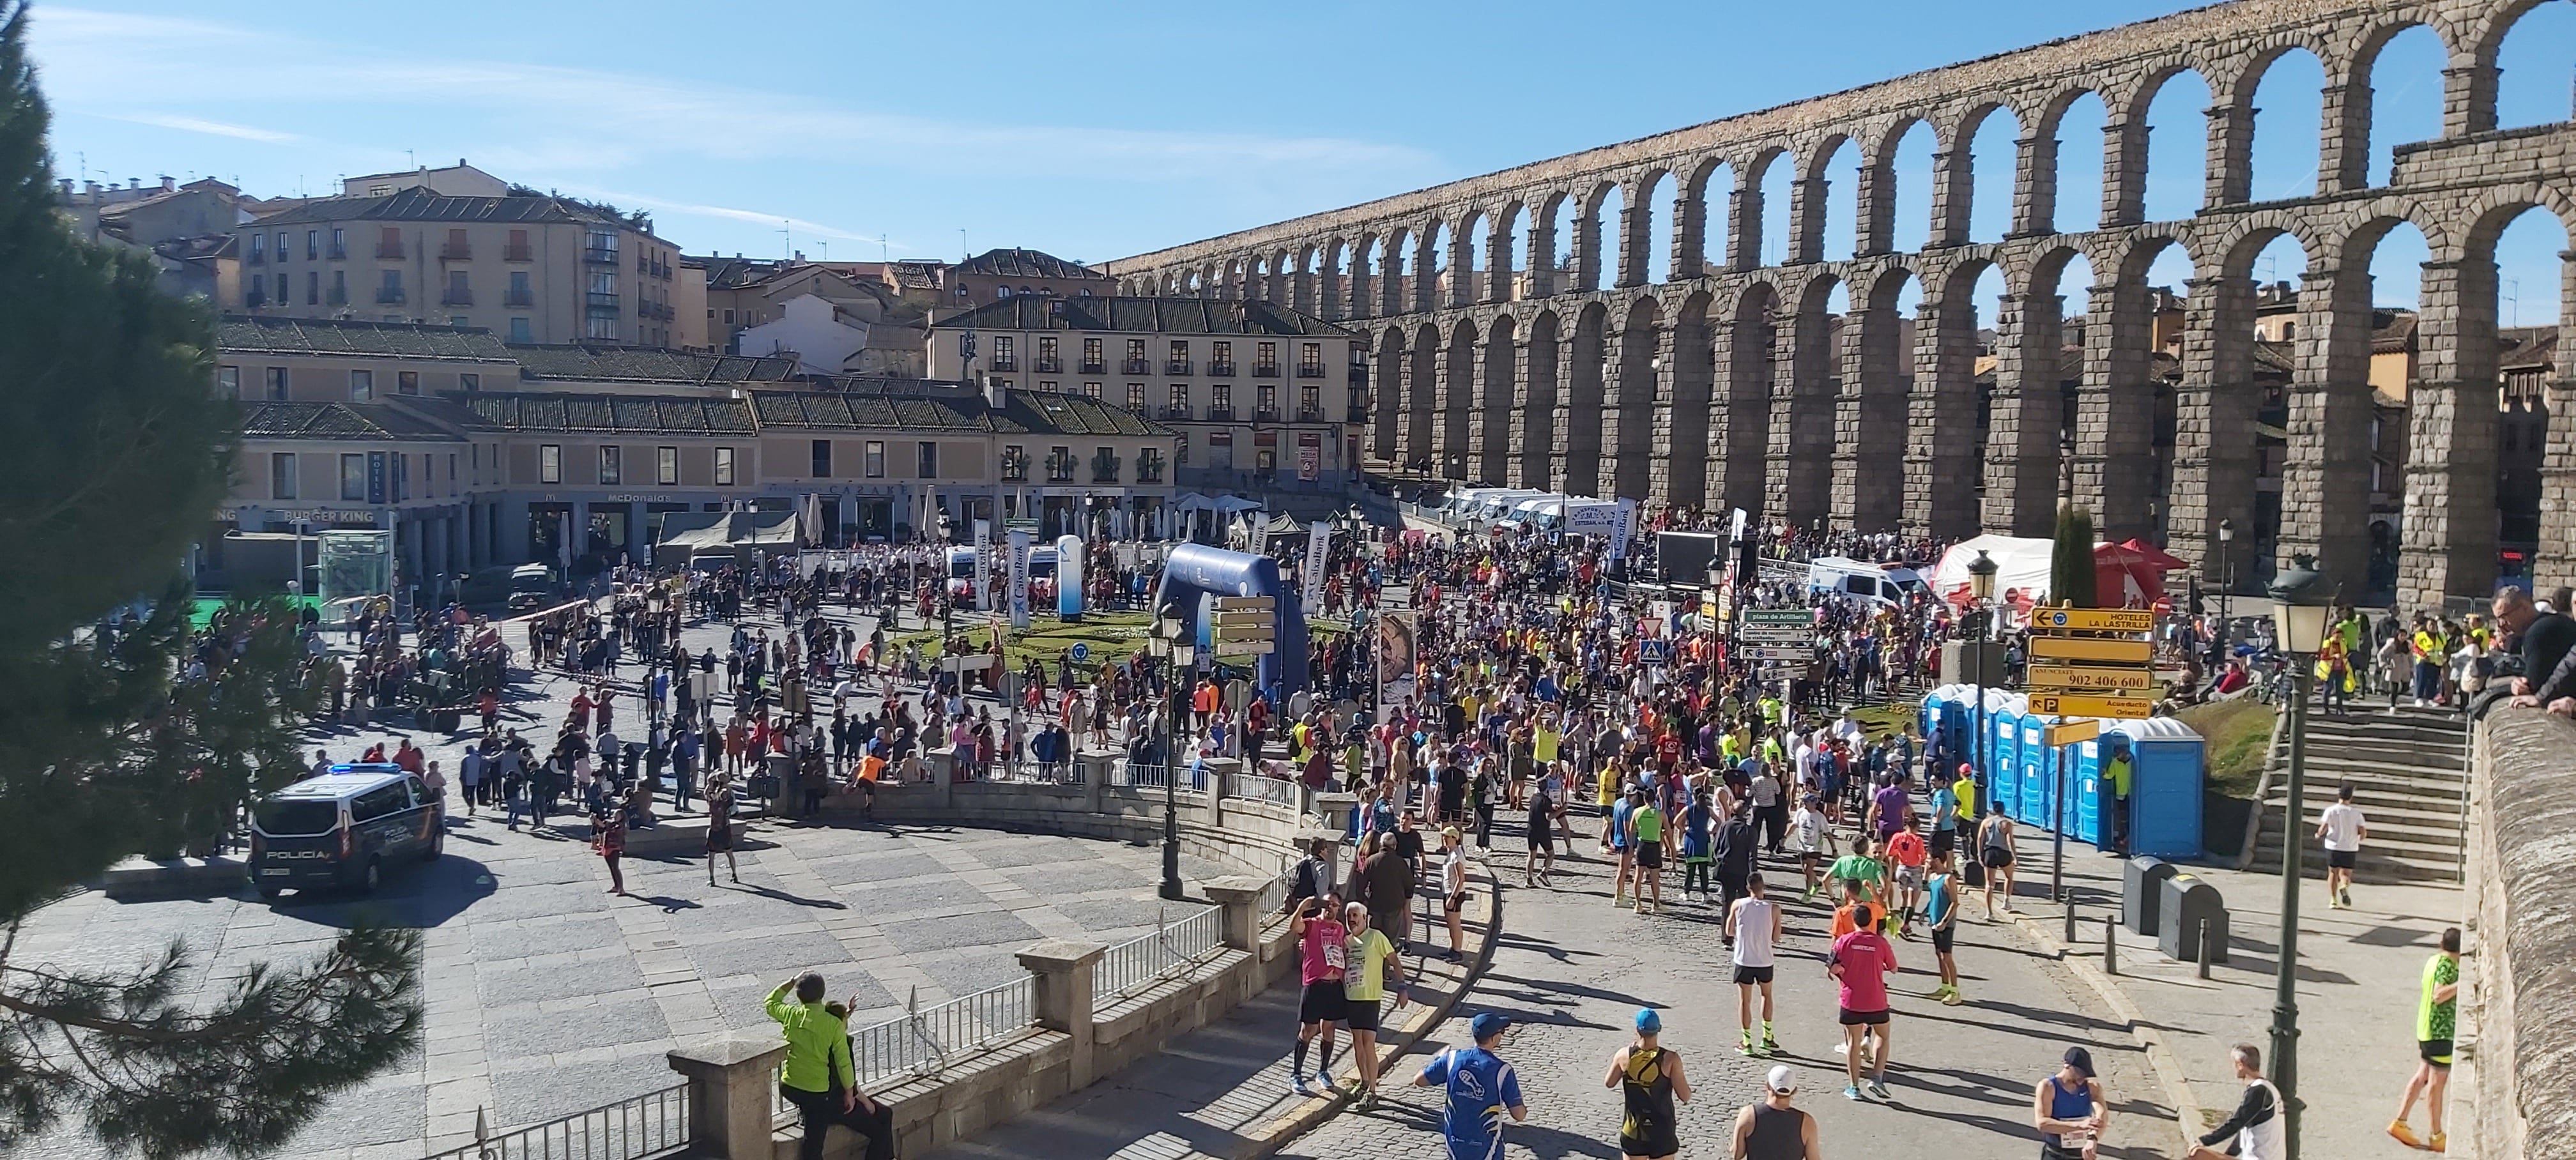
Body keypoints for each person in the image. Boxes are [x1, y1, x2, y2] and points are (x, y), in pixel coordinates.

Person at [767, 973, 895, 1160]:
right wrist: (851, 1094)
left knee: (814, 1123)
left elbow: (770, 1002)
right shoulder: (833, 1025)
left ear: (798, 996)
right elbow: (843, 1064)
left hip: (790, 1087)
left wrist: (792, 982)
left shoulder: (791, 1015)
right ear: (823, 993)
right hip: (820, 1095)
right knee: (813, 1146)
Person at [2389, 926, 2462, 1152]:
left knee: (2422, 1076)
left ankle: (2400, 1122)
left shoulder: (2434, 960)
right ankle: (2436, 1135)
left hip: (2426, 1029)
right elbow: (2439, 995)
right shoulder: (2448, 966)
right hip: (2440, 1032)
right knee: (2437, 1084)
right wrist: (2463, 984)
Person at [1416, 1012, 1526, 1160]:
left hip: (1456, 1142)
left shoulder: (1452, 1059)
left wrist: (1439, 1060)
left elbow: (1419, 1080)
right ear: (1494, 1038)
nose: (1502, 1035)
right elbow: (1519, 1115)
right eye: (1502, 1032)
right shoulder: (1503, 1070)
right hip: (1487, 1147)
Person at [1338, 899, 1407, 1110]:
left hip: (1371, 998)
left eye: (1355, 917)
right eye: (1349, 917)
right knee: (1357, 1042)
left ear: (1364, 918)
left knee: (1369, 1043)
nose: (1352, 921)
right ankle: (1364, 1081)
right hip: (1352, 997)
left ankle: (1373, 1091)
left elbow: (1394, 961)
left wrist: (1402, 987)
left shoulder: (1375, 937)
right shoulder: (1346, 942)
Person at [1827, 903, 1898, 1103]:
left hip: (1851, 1001)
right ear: (1872, 921)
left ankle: (1854, 1086)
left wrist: (1839, 970)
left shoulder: (1844, 941)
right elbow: (1893, 968)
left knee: (1853, 1043)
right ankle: (1877, 1078)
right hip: (1876, 1000)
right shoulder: (1880, 943)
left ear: (1854, 921)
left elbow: (1831, 966)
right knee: (1883, 1036)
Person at [1604, 1008, 1690, 1160]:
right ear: (1660, 1029)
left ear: (1637, 1030)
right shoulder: (1670, 1059)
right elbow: (1685, 1096)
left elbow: (1609, 1083)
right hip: (1662, 1133)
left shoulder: (1624, 1055)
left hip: (1633, 1131)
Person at [1290, 890, 1348, 1097]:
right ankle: (1296, 1074)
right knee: (1308, 1029)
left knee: (1329, 1029)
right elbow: (1294, 927)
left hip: (1334, 985)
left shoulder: (1340, 928)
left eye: (1334, 905)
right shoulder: (1312, 923)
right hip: (1314, 984)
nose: (1329, 907)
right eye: (1326, 903)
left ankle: (1323, 1071)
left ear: (1339, 908)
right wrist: (1304, 906)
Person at [2187, 1043, 2285, 1160]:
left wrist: (2203, 1141)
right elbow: (2242, 1130)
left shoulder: (2258, 1091)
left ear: (2240, 1065)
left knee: (2197, 1154)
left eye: (2233, 1064)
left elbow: (2235, 1124)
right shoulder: (2267, 1087)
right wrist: (2228, 1155)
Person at [1726, 871, 1781, 1057]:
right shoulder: (1773, 908)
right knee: (1767, 995)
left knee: (1745, 1001)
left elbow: (1729, 930)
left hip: (1744, 959)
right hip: (1765, 960)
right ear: (1763, 886)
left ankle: (1746, 1041)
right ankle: (1767, 1037)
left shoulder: (1738, 905)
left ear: (1748, 887)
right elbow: (1776, 937)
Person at [2034, 1046, 2108, 1160]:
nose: (2082, 1078)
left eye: (2085, 1074)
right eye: (2079, 1072)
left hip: (2080, 1154)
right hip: (2055, 1153)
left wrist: (2093, 1138)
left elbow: (2101, 1115)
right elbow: (2042, 1124)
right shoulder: (2048, 1087)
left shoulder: (2092, 1088)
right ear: (2067, 1065)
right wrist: (2078, 1125)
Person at [1731, 1065, 1820, 1160]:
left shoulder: (1748, 1114)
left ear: (1768, 1086)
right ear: (1794, 1091)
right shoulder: (1807, 1122)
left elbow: (1737, 1154)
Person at [2317, 782, 2367, 910]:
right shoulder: (2356, 813)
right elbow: (2363, 831)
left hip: (2333, 846)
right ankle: (2344, 886)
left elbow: (2324, 827)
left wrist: (2318, 834)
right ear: (2351, 798)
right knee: (2346, 874)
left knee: (2333, 872)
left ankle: (2333, 900)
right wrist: (2361, 838)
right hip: (2350, 846)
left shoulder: (2331, 810)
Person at [1925, 851, 1963, 1005]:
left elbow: (1955, 902)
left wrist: (1945, 922)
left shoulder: (1949, 879)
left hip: (1945, 924)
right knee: (1939, 954)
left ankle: (1955, 992)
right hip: (1935, 921)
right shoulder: (1933, 878)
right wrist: (1925, 913)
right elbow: (1934, 898)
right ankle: (1945, 986)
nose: (1926, 863)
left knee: (1947, 957)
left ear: (1937, 860)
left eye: (1929, 860)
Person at [1627, 786, 1666, 914]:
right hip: (1654, 846)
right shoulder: (1660, 814)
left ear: (1644, 799)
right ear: (1655, 799)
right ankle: (1656, 904)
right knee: (1654, 878)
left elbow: (1631, 829)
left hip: (1642, 845)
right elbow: (1668, 831)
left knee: (1638, 875)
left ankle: (1638, 904)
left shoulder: (1637, 812)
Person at [1978, 809, 2018, 918]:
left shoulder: (1986, 822)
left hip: (1990, 852)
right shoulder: (2007, 824)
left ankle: (1989, 912)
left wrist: (1980, 854)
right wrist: (2014, 856)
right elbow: (2010, 841)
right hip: (2003, 853)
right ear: (2003, 811)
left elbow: (1980, 838)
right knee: (2009, 877)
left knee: (1989, 885)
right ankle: (2006, 900)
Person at [1439, 826, 1469, 962]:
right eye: (1444, 836)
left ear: (1455, 839)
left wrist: (1453, 897)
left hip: (1454, 893)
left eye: (1447, 837)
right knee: (1450, 923)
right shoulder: (1451, 853)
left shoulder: (1457, 855)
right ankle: (1453, 948)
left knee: (1455, 923)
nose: (1445, 839)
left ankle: (1457, 951)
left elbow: (1461, 878)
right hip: (1448, 891)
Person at [705, 775, 740, 885]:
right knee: (729, 854)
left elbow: (707, 792)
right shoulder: (726, 804)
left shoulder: (712, 803)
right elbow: (728, 791)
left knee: (712, 856)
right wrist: (722, 781)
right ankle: (734, 874)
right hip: (724, 829)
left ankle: (712, 878)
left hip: (715, 830)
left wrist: (712, 781)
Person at [591, 807, 626, 896]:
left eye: (617, 815)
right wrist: (595, 821)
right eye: (615, 814)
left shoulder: (620, 825)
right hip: (607, 847)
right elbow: (602, 827)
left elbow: (609, 828)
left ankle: (621, 888)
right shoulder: (611, 823)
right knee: (612, 868)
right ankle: (616, 886)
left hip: (615, 848)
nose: (615, 816)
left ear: (621, 817)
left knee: (615, 868)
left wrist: (601, 824)